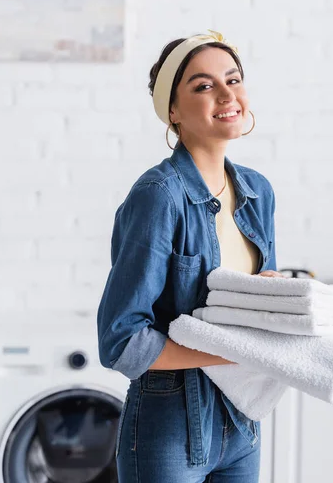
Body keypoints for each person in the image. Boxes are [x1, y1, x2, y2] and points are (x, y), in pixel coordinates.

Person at [97, 30, 285, 482]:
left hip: (243, 422)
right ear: (173, 112)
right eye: (203, 86)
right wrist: (235, 351)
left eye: (233, 79)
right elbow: (121, 340)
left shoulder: (258, 191)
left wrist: (275, 296)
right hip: (170, 425)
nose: (227, 94)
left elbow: (254, 302)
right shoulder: (158, 196)